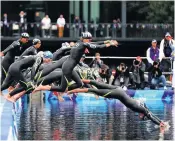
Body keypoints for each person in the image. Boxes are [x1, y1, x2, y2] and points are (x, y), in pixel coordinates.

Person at [32, 31, 118, 93]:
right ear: (85, 39)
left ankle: (67, 89)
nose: (89, 41)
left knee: (79, 83)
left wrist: (107, 41)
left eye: (90, 39)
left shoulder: (79, 42)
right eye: (88, 39)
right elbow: (97, 47)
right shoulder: (84, 44)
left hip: (69, 66)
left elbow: (95, 43)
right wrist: (109, 44)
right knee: (62, 89)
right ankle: (42, 87)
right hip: (68, 67)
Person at [67, 79, 167, 127]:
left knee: (98, 84)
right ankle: (71, 90)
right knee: (94, 90)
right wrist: (160, 124)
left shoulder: (143, 107)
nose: (140, 117)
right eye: (142, 117)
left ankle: (79, 80)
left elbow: (152, 114)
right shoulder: (143, 110)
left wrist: (160, 121)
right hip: (117, 94)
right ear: (143, 115)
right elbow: (151, 116)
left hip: (119, 90)